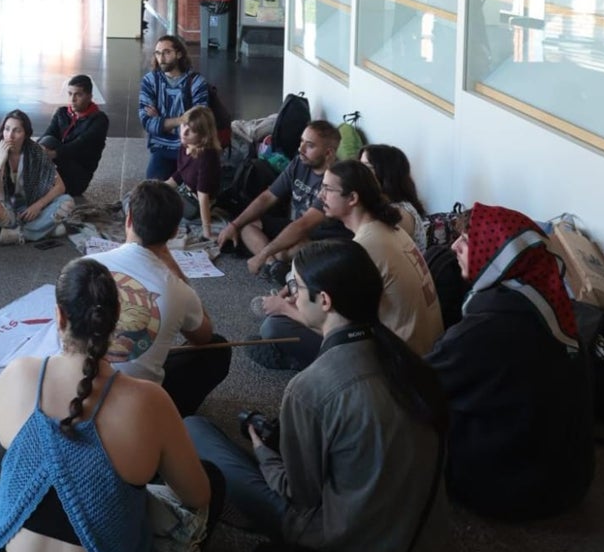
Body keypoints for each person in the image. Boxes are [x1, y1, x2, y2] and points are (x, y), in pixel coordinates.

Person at [188, 240, 450, 552]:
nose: (291, 296)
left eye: (295, 287)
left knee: (194, 430)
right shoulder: (411, 363)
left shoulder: (311, 388)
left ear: (324, 301)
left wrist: (263, 448)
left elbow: (299, 494)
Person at [0, 257, 223, 552]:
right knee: (214, 482)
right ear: (116, 319)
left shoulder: (18, 373)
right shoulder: (151, 401)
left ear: (59, 316)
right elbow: (197, 496)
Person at [425, 204, 594, 521]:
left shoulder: (489, 325)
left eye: (466, 240)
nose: (454, 247)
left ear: (498, 254)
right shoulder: (545, 293)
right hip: (565, 478)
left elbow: (423, 383)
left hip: (515, 490)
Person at [252, 160, 443, 370]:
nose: (320, 195)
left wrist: (284, 308)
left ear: (352, 198)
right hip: (423, 350)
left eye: (327, 189)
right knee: (299, 308)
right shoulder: (388, 230)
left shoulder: (366, 246)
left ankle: (300, 362)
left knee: (275, 326)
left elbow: (341, 322)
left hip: (397, 361)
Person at [96, 181, 231, 416]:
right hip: (136, 409)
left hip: (78, 388)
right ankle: (171, 418)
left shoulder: (84, 266)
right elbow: (204, 337)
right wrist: (171, 264)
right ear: (174, 232)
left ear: (128, 220)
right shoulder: (177, 290)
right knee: (218, 349)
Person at [215, 120, 350, 281]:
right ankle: (273, 265)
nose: (301, 149)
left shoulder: (334, 179)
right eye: (301, 142)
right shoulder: (299, 162)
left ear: (328, 153)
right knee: (248, 225)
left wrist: (263, 253)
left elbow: (304, 225)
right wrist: (234, 225)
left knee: (295, 247)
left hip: (319, 235)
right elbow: (267, 197)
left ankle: (271, 260)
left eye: (310, 145)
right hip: (295, 226)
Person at [0, 109, 74, 245]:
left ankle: (18, 233)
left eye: (17, 131)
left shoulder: (36, 152)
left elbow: (60, 187)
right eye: (6, 129)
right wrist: (1, 161)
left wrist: (38, 205)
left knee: (67, 202)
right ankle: (41, 229)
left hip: (29, 209)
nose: (10, 136)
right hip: (4, 209)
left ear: (25, 134)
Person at [138, 35, 208, 181]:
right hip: (161, 148)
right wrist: (181, 120)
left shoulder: (196, 82)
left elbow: (199, 122)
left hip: (189, 148)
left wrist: (161, 122)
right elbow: (146, 122)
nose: (161, 58)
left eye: (167, 52)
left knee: (187, 194)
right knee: (153, 191)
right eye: (157, 53)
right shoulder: (150, 81)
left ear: (179, 54)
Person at [38, 74, 109, 197]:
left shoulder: (99, 120)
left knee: (48, 142)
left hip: (77, 177)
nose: (72, 99)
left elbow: (80, 144)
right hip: (58, 167)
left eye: (78, 95)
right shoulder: (62, 113)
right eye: (70, 94)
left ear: (89, 97)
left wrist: (54, 154)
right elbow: (49, 133)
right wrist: (38, 150)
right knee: (45, 141)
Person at [165, 105, 222, 240]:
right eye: (184, 126)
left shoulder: (207, 157)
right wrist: (159, 186)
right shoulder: (185, 144)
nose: (184, 133)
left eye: (191, 131)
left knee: (158, 205)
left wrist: (206, 231)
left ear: (203, 136)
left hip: (195, 202)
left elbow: (203, 196)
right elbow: (180, 174)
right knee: (149, 192)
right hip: (186, 191)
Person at [360, 144, 428, 251]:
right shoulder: (382, 205)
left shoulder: (400, 213)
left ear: (387, 173)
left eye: (367, 167)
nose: (359, 172)